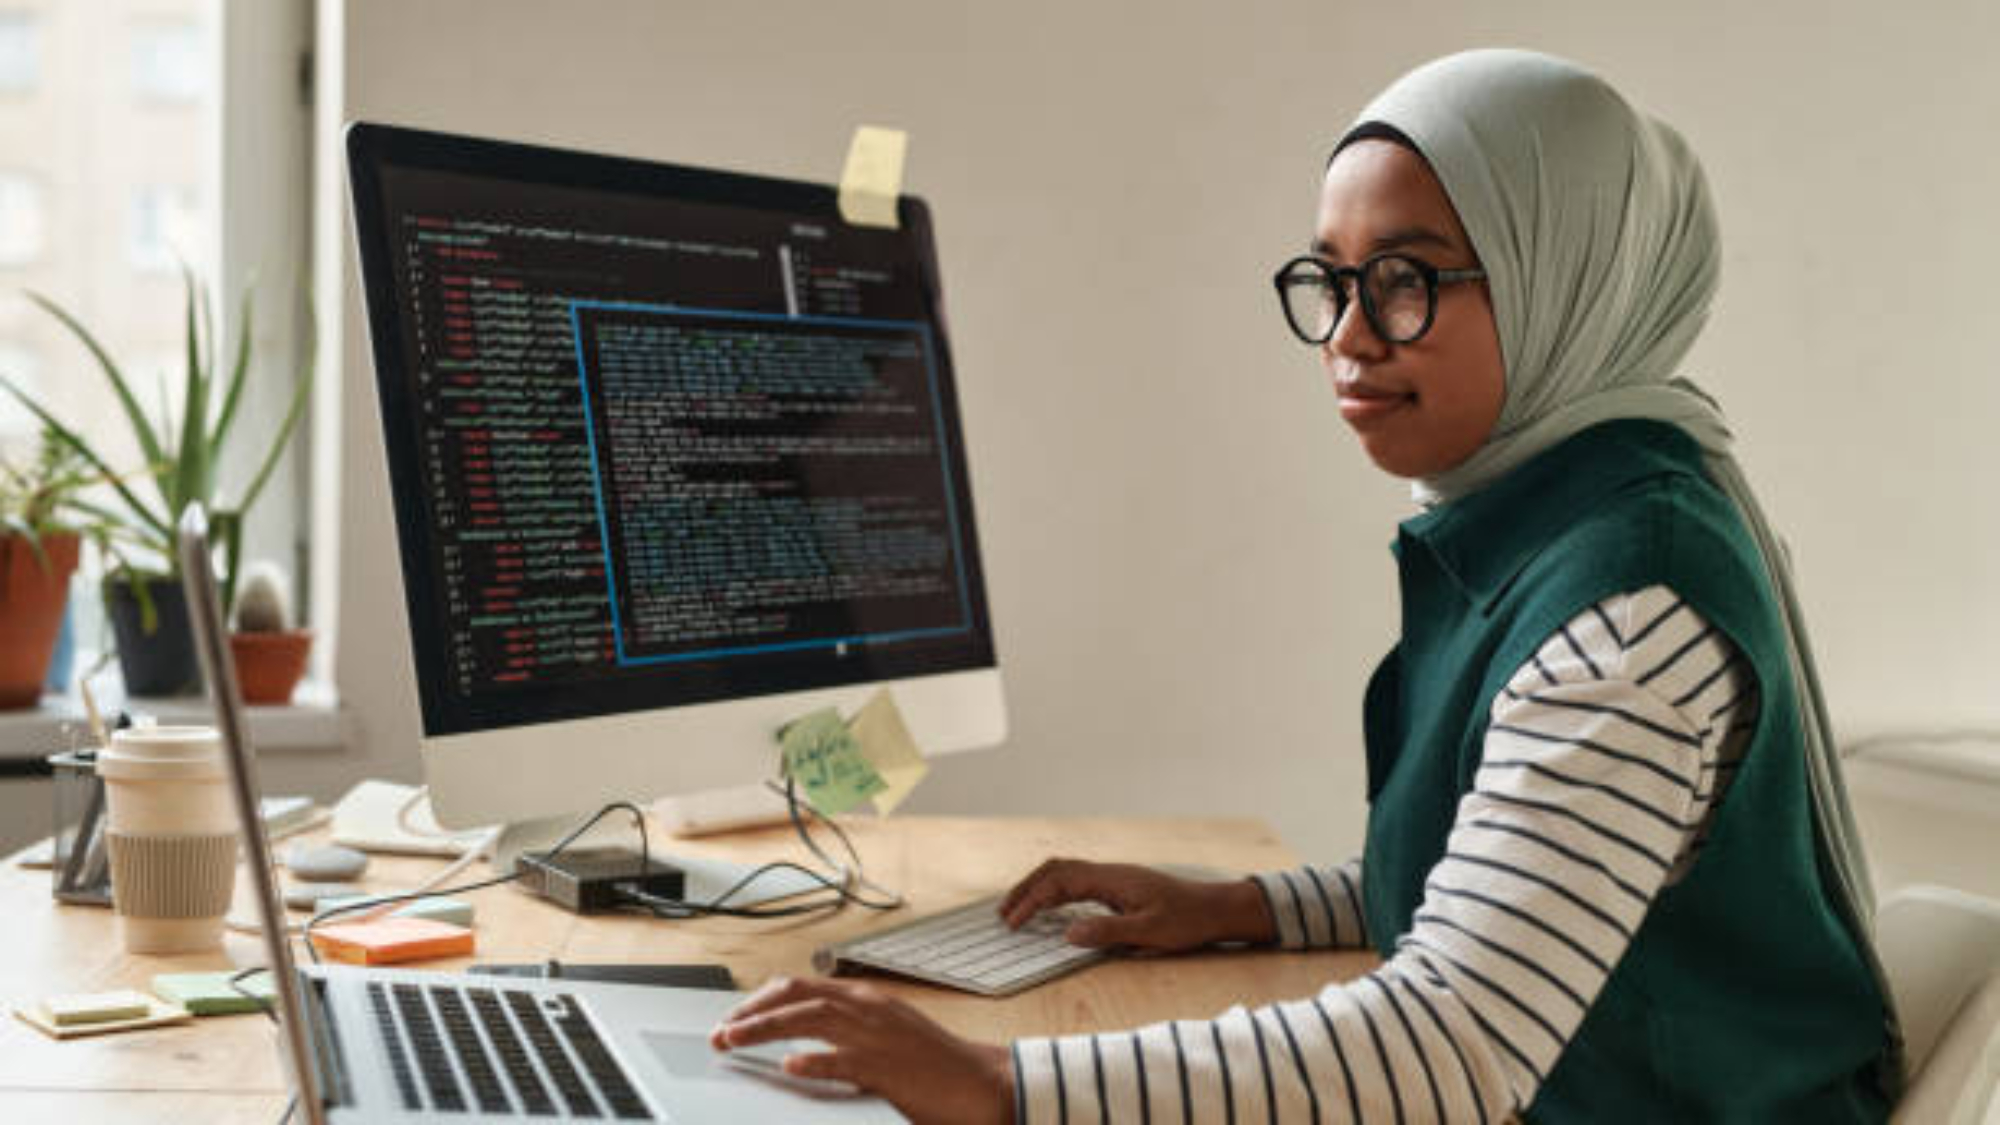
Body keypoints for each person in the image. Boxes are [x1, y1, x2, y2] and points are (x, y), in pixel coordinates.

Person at [711, 48, 1902, 1123]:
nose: (1345, 333)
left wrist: (992, 1079)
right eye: (1329, 279)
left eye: (1406, 278)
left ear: (1562, 276)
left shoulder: (1630, 609)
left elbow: (1453, 1044)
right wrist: (1237, 905)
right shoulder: (1569, 519)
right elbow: (1511, 885)